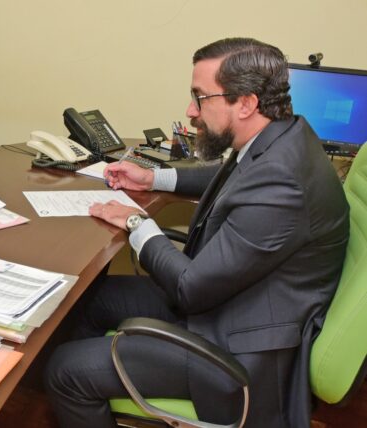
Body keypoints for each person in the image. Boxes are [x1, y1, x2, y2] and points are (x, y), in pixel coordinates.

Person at [44, 38, 349, 427]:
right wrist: (154, 177)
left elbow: (190, 287)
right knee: (90, 299)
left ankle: (76, 385)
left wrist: (137, 224)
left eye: (200, 97)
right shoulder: (284, 136)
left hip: (235, 351)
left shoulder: (282, 183)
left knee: (64, 370)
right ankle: (92, 392)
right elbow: (235, 176)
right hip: (234, 303)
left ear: (246, 103)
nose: (191, 111)